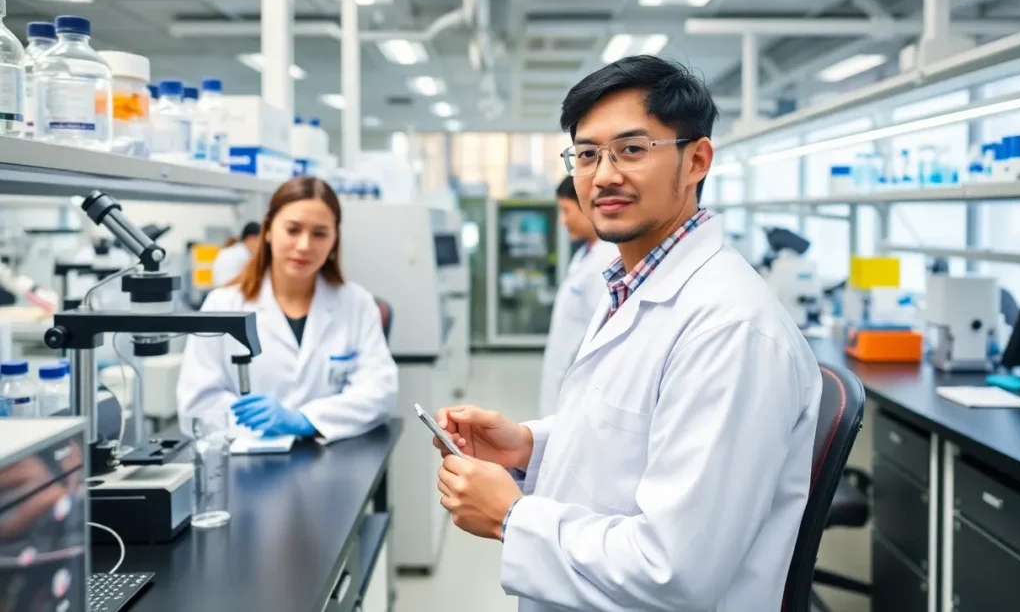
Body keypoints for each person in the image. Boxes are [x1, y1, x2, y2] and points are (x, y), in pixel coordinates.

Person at [431, 55, 822, 611]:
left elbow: (675, 571)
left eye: (632, 150)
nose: (604, 174)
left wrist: (512, 516)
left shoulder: (731, 330)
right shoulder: (632, 282)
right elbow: (626, 440)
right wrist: (529, 447)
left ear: (697, 160)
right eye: (587, 154)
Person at [177, 177, 397, 443]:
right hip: (247, 461)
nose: (304, 245)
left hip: (335, 459)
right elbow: (198, 404)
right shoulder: (221, 305)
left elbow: (380, 392)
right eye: (293, 230)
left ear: (334, 240)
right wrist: (254, 425)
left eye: (319, 233)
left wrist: (305, 419)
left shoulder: (357, 303)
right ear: (268, 231)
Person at [538, 176, 618, 417]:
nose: (563, 221)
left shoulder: (609, 260)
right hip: (561, 374)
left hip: (579, 388)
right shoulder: (586, 252)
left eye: (566, 211)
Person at [212, 221, 261, 287]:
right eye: (260, 241)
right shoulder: (237, 255)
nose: (261, 246)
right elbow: (226, 285)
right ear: (250, 239)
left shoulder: (236, 251)